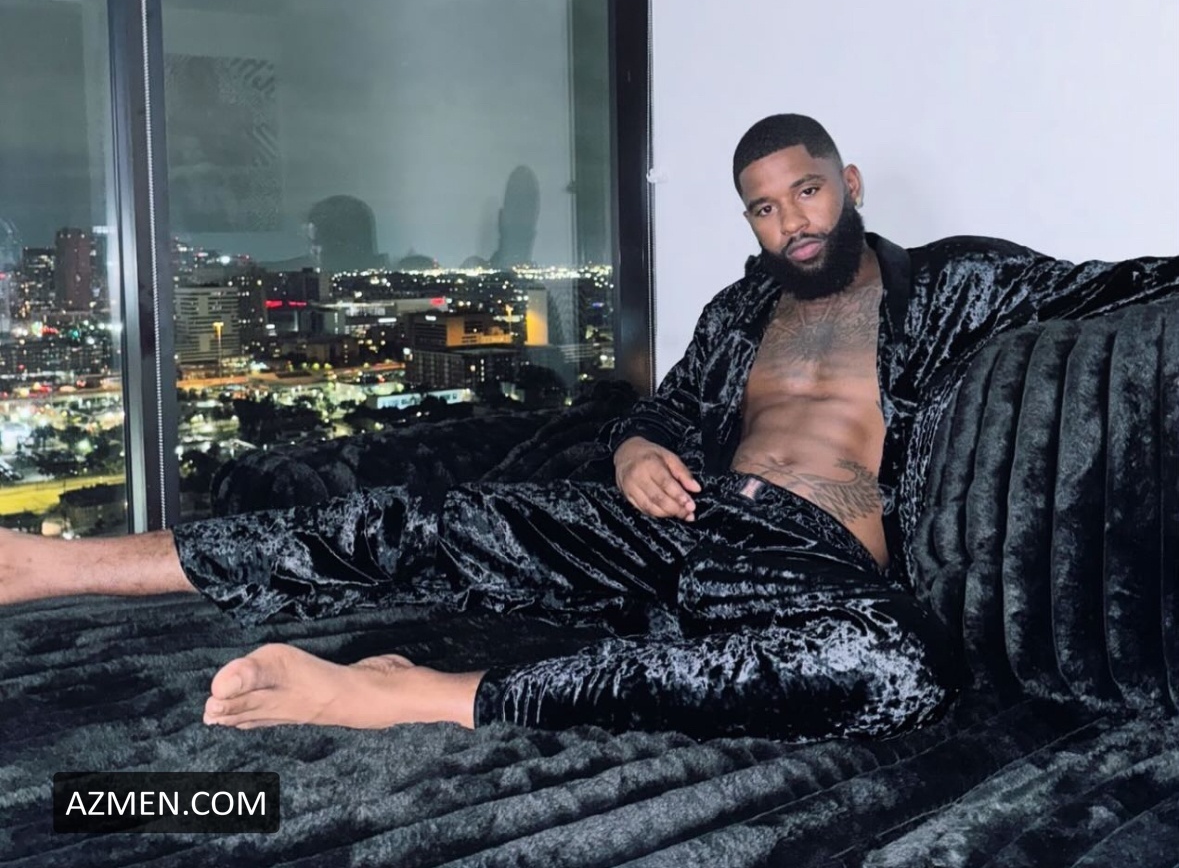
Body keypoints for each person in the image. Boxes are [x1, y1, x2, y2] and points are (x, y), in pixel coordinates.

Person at [4, 114, 1178, 742]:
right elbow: (664, 409)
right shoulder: (739, 311)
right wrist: (633, 448)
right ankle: (61, 565)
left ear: (851, 180)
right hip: (677, 527)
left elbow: (1127, 280)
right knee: (428, 519)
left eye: (808, 190)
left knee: (896, 670)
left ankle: (423, 690)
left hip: (812, 558)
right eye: (764, 207)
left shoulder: (962, 281)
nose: (791, 221)